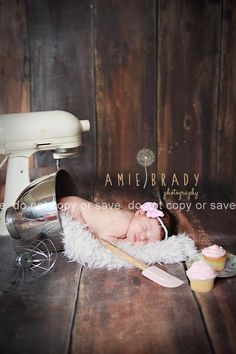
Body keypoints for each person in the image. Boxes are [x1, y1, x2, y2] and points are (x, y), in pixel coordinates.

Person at [58, 197, 177, 245]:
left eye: (147, 241)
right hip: (71, 208)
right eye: (145, 228)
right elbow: (103, 239)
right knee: (78, 232)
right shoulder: (123, 221)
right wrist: (125, 242)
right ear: (139, 213)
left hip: (72, 204)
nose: (142, 237)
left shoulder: (130, 222)